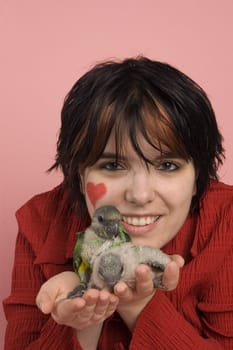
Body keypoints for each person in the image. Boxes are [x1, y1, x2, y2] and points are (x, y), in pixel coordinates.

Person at [3, 57, 233, 350]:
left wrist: (137, 303)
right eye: (112, 165)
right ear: (78, 170)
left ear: (197, 173)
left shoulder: (227, 219)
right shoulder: (40, 221)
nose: (139, 195)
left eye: (167, 165)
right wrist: (86, 312)